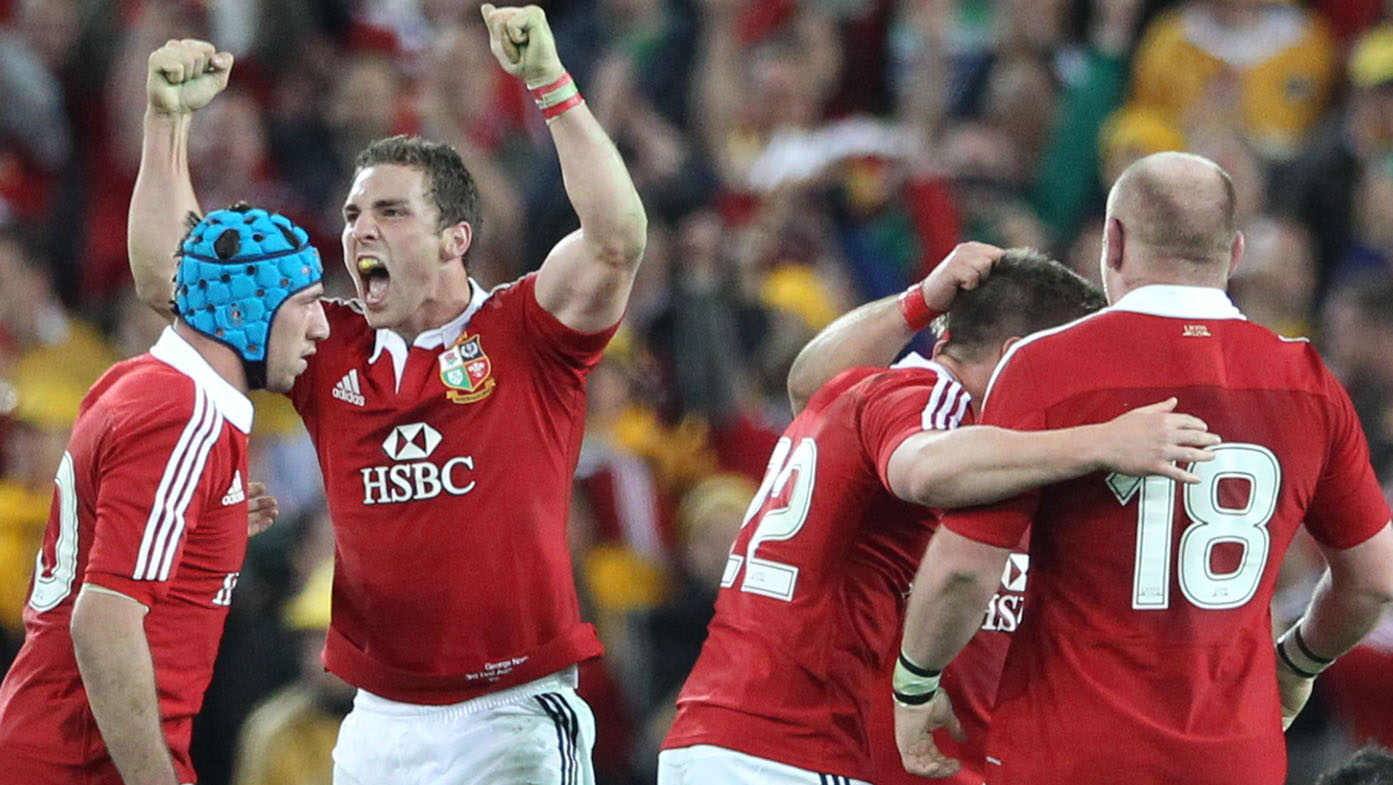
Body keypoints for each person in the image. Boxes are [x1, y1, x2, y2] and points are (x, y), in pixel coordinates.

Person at [128, 8, 647, 783]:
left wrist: (547, 80)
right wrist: (165, 124)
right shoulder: (323, 342)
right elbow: (169, 282)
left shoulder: (523, 332)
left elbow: (616, 238)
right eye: (352, 213)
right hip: (376, 721)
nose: (360, 230)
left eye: (391, 211)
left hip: (509, 712)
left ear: (455, 238)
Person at [893, 152, 1393, 785]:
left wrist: (915, 684)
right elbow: (1373, 580)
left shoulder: (1047, 364)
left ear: (1113, 240)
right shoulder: (1309, 382)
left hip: (1071, 751)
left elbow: (967, 568)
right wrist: (1296, 665)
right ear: (1235, 251)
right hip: (1234, 759)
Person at [658, 245, 1222, 785]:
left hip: (720, 736)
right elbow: (925, 469)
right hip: (795, 749)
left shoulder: (865, 392)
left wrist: (919, 301)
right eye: (1071, 369)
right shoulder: (936, 400)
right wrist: (1103, 442)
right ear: (1015, 355)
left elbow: (808, 382)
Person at [0, 204, 328, 785]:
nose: (321, 327)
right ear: (242, 311)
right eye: (304, 303)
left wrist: (203, 528)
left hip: (56, 742)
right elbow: (103, 621)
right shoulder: (184, 414)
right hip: (85, 764)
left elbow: (103, 553)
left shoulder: (136, 382)